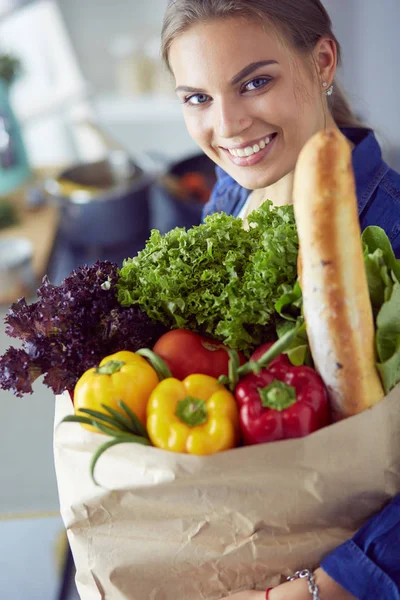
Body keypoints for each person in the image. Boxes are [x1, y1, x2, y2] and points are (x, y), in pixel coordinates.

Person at [161, 1, 400, 599]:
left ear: (321, 61)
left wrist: (319, 589)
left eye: (255, 82)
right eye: (197, 98)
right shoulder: (232, 194)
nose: (229, 125)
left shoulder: (392, 232)